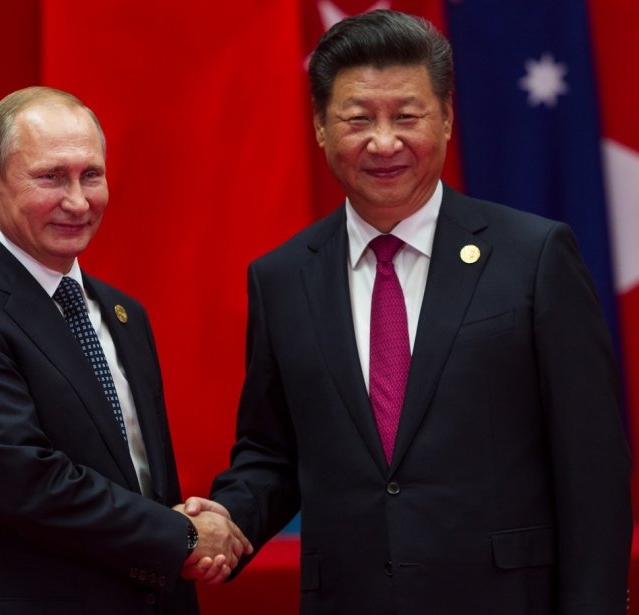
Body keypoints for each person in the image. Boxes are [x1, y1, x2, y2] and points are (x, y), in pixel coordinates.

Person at [182, 9, 633, 614]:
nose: (385, 141)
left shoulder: (534, 256)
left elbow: (592, 465)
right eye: (358, 119)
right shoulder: (283, 278)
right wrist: (224, 520)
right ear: (320, 127)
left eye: (407, 116)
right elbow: (272, 453)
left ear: (447, 119)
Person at [0, 86, 250, 615]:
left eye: (91, 175)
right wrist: (182, 535)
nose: (78, 201)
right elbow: (25, 485)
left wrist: (197, 525)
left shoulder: (124, 313)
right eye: (50, 177)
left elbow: (141, 481)